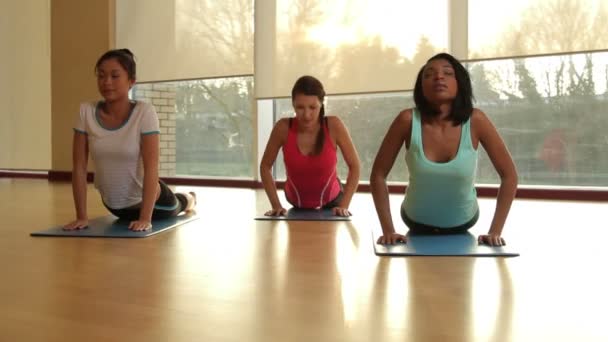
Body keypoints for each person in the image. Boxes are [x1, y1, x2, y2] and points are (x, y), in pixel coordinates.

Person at [370, 53, 517, 246]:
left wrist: (495, 232)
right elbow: (378, 174)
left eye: (447, 73)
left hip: (463, 223)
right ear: (421, 87)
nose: (439, 77)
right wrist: (388, 230)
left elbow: (509, 176)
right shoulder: (406, 120)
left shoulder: (476, 121)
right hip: (415, 221)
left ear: (460, 83)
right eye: (429, 74)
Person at [64, 49, 195, 232]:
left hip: (155, 203)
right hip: (114, 206)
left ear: (131, 81)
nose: (107, 82)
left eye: (115, 76)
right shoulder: (85, 111)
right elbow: (79, 167)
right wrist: (81, 217)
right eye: (101, 76)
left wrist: (145, 218)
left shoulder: (144, 112)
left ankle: (190, 197)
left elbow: (151, 167)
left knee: (180, 204)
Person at [260, 75, 360, 217]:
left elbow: (355, 166)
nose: (307, 115)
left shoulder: (334, 125)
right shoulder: (282, 127)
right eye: (300, 107)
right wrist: (276, 205)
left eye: (313, 107)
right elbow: (265, 166)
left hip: (333, 200)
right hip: (296, 202)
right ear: (293, 104)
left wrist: (344, 206)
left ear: (321, 104)